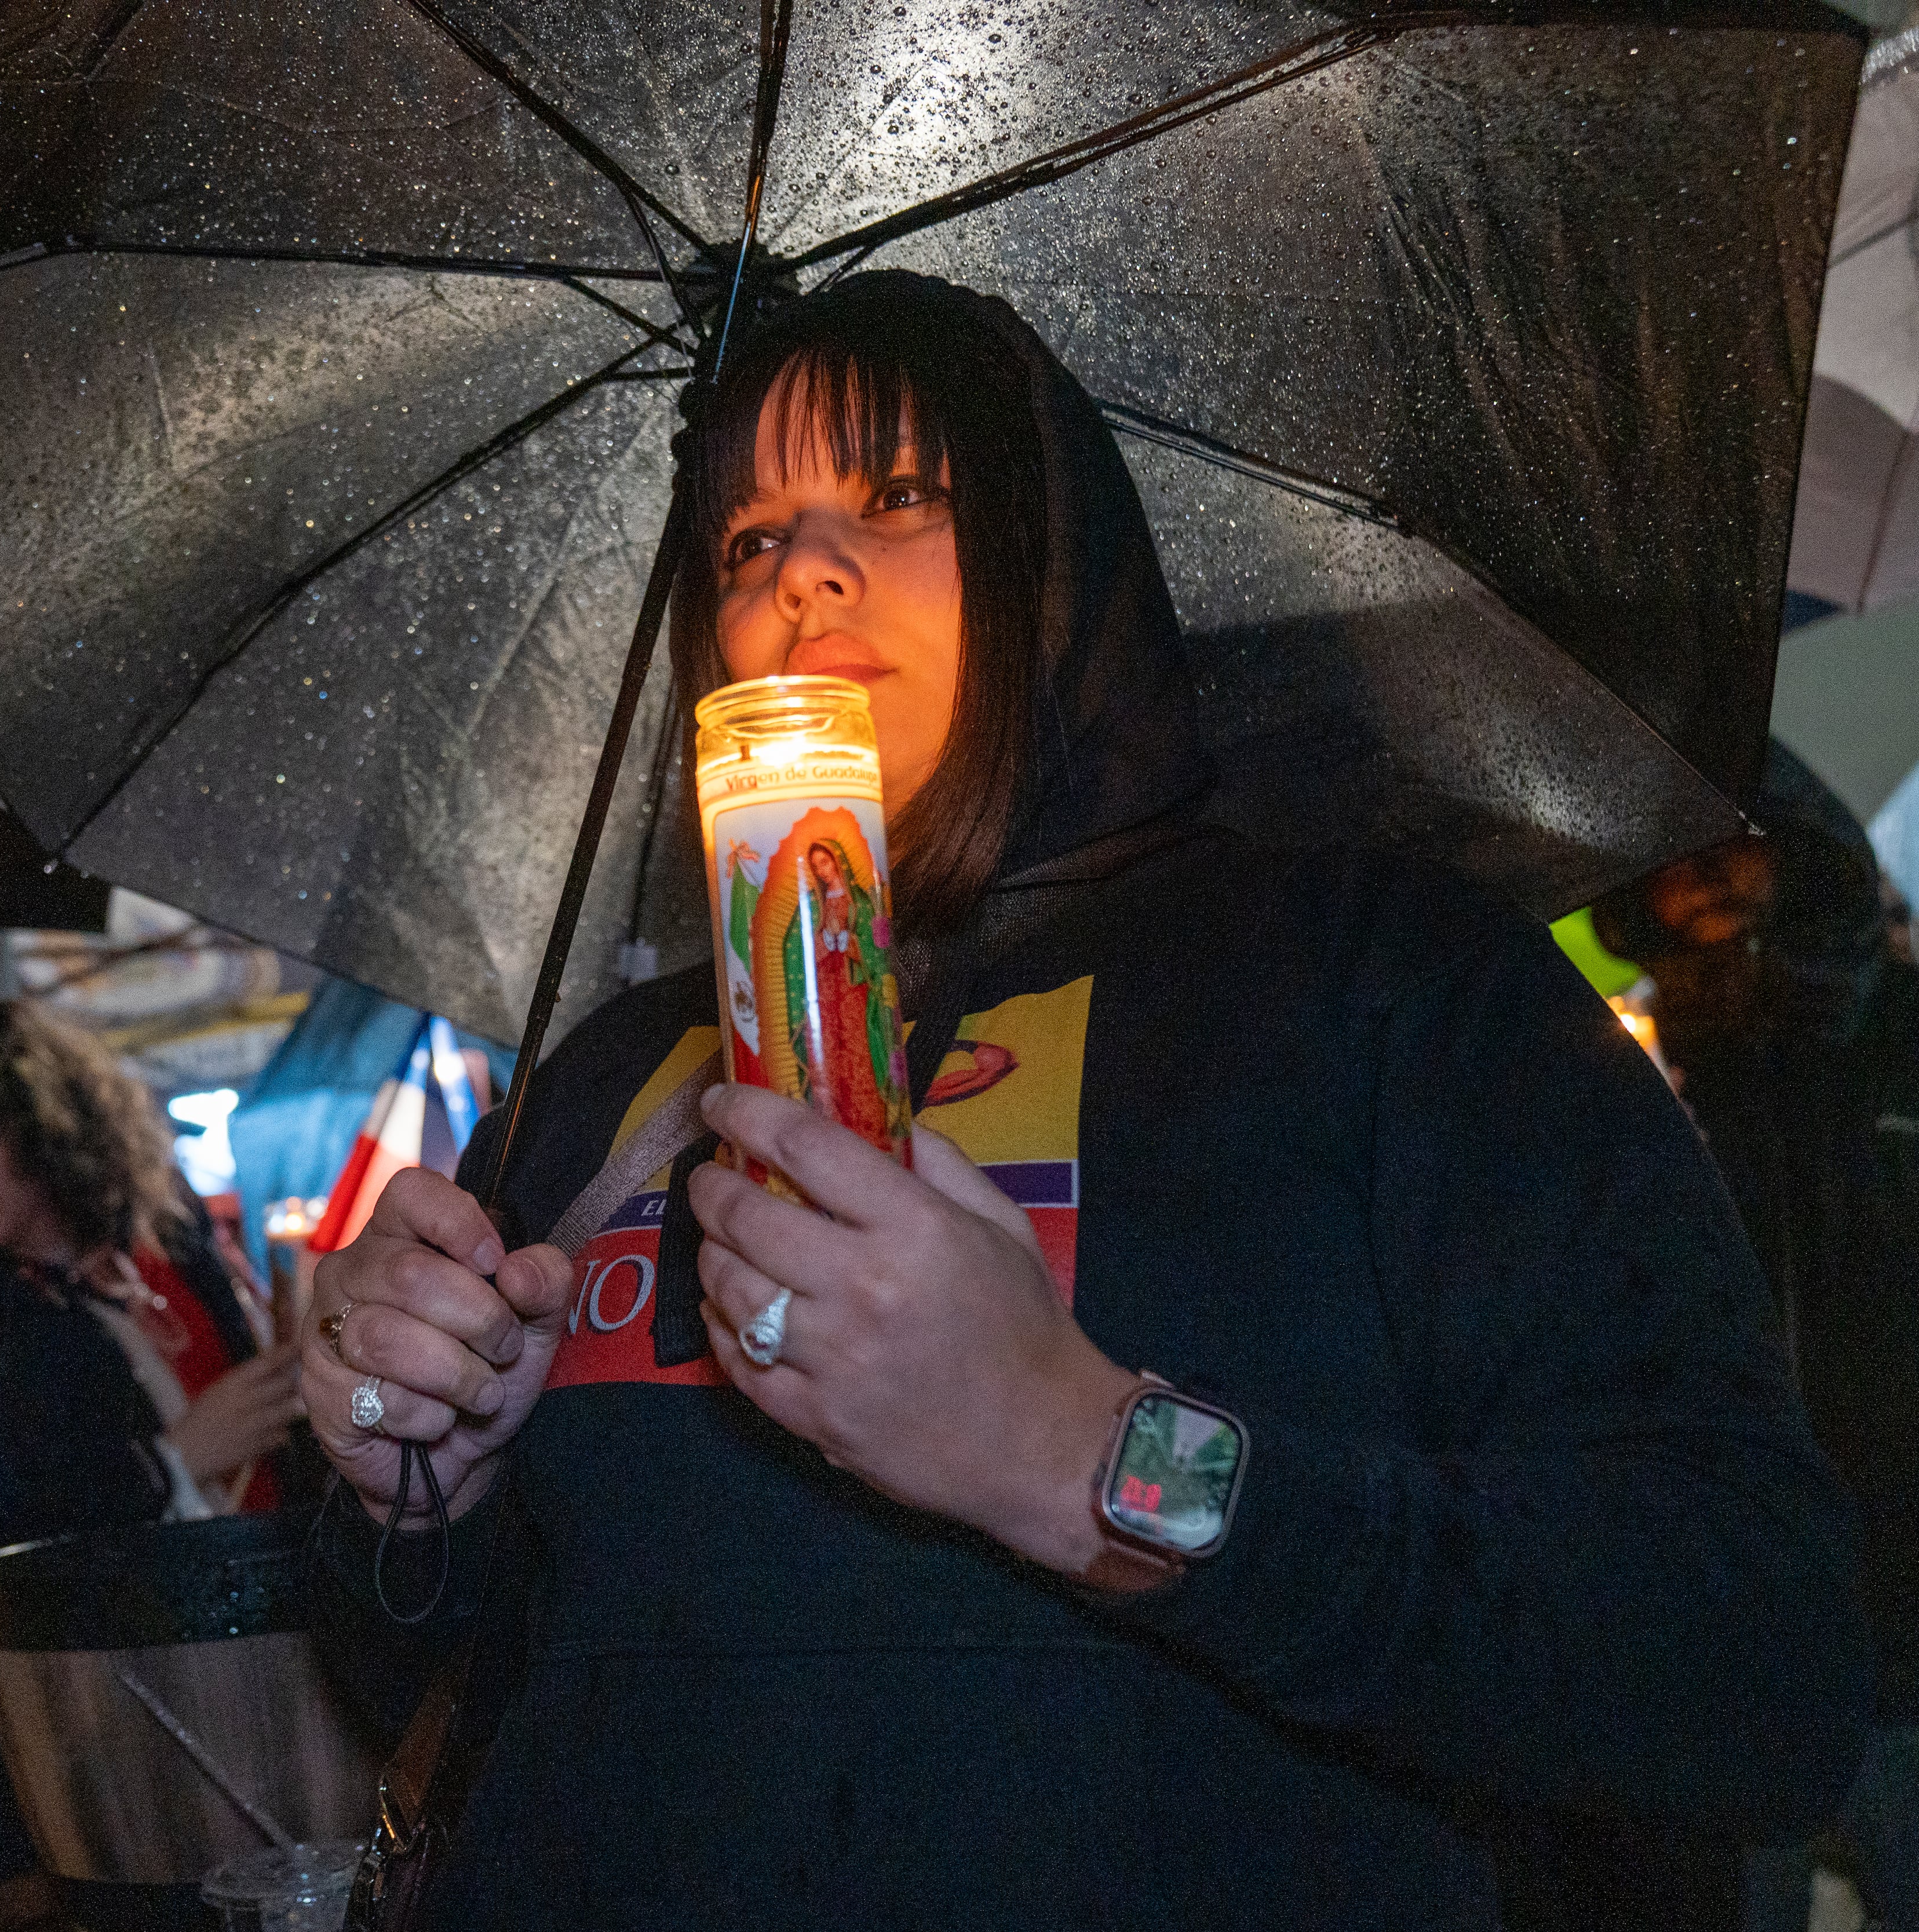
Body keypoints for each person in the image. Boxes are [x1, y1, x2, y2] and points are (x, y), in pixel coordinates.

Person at [304, 274, 1871, 1929]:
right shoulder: (614, 1076)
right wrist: (423, 1481)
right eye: (750, 537)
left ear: (1070, 562)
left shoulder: (1383, 978)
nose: (804, 571)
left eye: (900, 495)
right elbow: (461, 1658)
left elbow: (1747, 1656)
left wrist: (1081, 1451)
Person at [0, 999, 301, 1912]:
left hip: (277, 1693)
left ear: (53, 1123)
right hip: (91, 1775)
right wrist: (165, 1467)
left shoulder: (165, 1256)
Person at [1594, 748, 1919, 1930]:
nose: (1704, 881)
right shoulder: (1630, 1077)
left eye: (1730, 843)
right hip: (1732, 1630)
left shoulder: (1895, 1039)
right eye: (1672, 862)